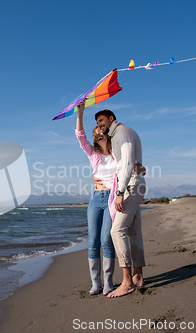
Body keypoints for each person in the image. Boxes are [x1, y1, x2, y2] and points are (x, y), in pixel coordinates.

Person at [75, 101, 145, 296]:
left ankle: (108, 282)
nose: (98, 135)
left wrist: (141, 169)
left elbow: (130, 164)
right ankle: (95, 283)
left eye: (101, 131)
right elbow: (80, 137)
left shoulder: (116, 154)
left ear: (106, 134)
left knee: (107, 238)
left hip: (112, 199)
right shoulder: (93, 156)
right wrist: (80, 113)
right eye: (95, 134)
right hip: (96, 199)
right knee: (92, 240)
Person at [95, 109, 147, 298]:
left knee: (117, 230)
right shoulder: (127, 132)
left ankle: (126, 282)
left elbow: (125, 165)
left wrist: (119, 192)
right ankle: (138, 276)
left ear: (111, 119)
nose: (100, 125)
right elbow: (134, 162)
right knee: (134, 231)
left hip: (130, 187)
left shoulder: (122, 133)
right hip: (135, 184)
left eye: (102, 121)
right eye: (98, 123)